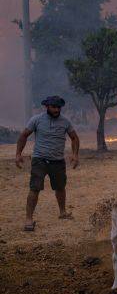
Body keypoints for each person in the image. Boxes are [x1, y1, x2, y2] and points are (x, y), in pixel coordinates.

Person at [15, 96, 80, 231]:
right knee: (34, 188)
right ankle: (29, 219)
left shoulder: (65, 122)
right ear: (47, 107)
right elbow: (23, 135)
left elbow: (74, 138)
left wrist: (75, 155)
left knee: (60, 187)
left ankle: (62, 212)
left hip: (57, 161)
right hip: (40, 160)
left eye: (59, 107)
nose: (57, 110)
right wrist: (18, 154)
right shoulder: (36, 120)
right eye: (54, 107)